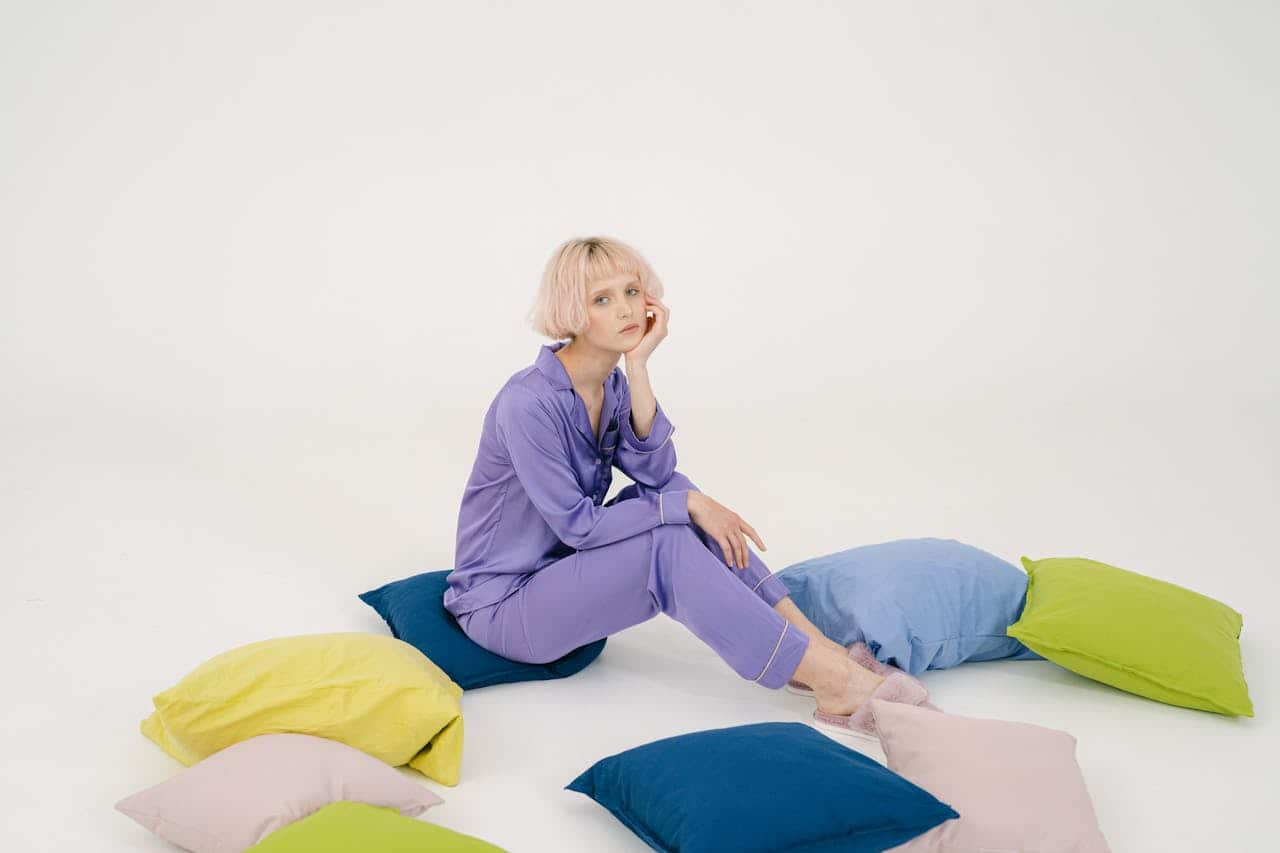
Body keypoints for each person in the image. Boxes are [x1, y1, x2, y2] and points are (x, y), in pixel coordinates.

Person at [443, 236, 923, 730]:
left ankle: (815, 647)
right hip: (504, 605)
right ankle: (833, 682)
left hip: (560, 575)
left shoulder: (609, 384)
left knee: (670, 497)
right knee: (668, 535)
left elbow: (655, 474)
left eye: (632, 291)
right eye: (602, 299)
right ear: (572, 312)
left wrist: (639, 366)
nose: (627, 309)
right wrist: (689, 503)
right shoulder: (527, 403)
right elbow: (578, 528)